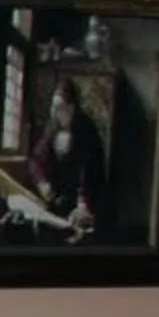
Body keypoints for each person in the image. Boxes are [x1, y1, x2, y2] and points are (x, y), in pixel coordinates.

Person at [26, 76, 110, 240]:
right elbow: (36, 160)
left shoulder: (87, 130)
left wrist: (84, 203)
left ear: (71, 107)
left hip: (85, 200)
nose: (55, 112)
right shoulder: (52, 129)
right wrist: (42, 182)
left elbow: (91, 171)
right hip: (59, 198)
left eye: (60, 107)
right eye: (53, 107)